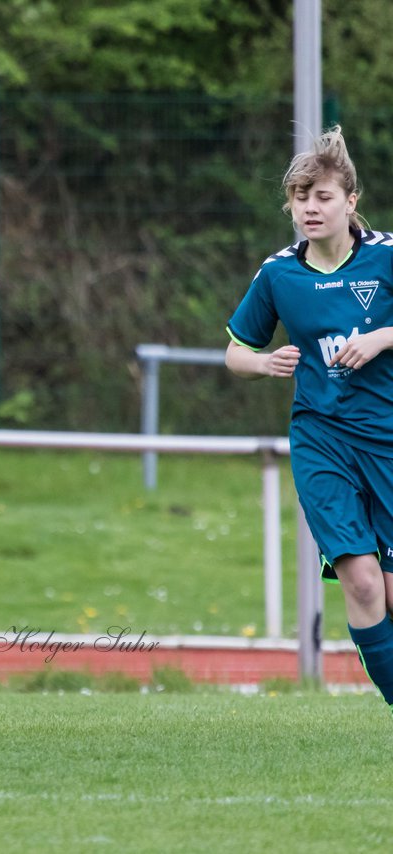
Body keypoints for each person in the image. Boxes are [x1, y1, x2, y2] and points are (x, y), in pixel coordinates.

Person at [225, 126, 393, 717]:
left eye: (322, 196)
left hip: (388, 441)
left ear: (351, 200)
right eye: (300, 197)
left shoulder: (387, 257)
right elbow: (234, 352)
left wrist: (379, 338)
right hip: (321, 439)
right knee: (364, 582)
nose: (309, 208)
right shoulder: (278, 275)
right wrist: (264, 362)